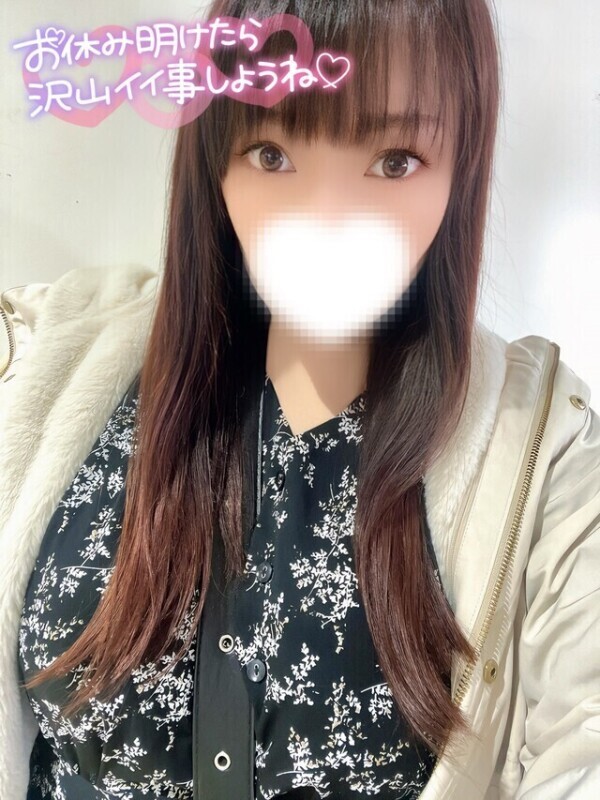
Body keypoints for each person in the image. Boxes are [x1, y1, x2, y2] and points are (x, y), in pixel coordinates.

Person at [1, 1, 599, 798]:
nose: (327, 221)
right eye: (273, 154)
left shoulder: (545, 454)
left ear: (461, 169)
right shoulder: (49, 359)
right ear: (214, 161)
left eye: (394, 161)